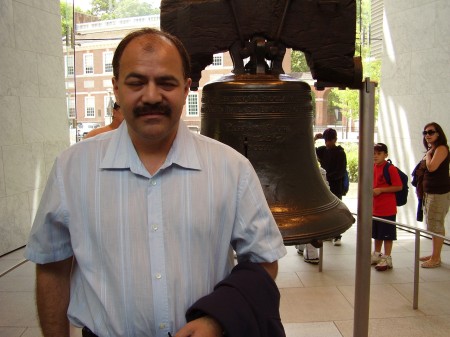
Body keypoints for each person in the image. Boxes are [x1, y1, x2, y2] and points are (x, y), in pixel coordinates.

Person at [25, 28, 287, 337]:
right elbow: (52, 269)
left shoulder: (232, 169)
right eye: (136, 83)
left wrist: (217, 319)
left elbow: (263, 261)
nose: (151, 96)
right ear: (116, 88)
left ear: (186, 88)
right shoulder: (71, 170)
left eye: (166, 82)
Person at [418, 122, 450, 268]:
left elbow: (431, 167)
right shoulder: (434, 149)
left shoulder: (441, 148)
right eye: (425, 133)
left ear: (439, 134)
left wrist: (429, 155)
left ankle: (436, 258)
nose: (427, 135)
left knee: (436, 224)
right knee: (432, 223)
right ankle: (434, 254)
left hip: (438, 193)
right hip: (430, 192)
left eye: (431, 132)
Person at [371, 143, 403, 271]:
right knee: (377, 234)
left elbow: (398, 186)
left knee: (387, 235)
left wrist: (381, 190)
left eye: (379, 153)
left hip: (387, 208)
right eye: (374, 153)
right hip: (375, 208)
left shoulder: (390, 168)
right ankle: (377, 254)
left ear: (385, 155)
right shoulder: (373, 167)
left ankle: (387, 257)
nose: (375, 156)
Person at [314, 128, 347, 246]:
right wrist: (314, 139)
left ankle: (337, 235)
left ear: (335, 139)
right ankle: (329, 233)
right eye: (326, 140)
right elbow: (309, 152)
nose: (327, 143)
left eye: (329, 140)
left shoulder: (340, 153)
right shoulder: (323, 150)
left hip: (336, 186)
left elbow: (340, 171)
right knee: (326, 211)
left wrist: (327, 177)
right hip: (326, 186)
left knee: (336, 211)